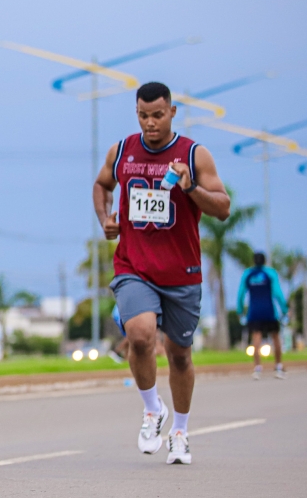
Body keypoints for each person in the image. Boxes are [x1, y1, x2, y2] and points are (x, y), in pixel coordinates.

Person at [94, 81, 231, 466]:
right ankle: (152, 408)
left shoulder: (194, 154)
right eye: (143, 116)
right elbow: (102, 185)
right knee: (139, 336)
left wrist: (190, 188)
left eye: (157, 115)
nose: (150, 123)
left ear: (172, 112)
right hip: (134, 266)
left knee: (180, 356)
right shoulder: (122, 151)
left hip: (182, 272)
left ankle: (180, 432)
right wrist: (105, 217)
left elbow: (223, 208)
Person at [237, 252, 288, 379]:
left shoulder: (248, 274)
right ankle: (278, 366)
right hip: (269, 310)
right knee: (275, 338)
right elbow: (277, 292)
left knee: (256, 339)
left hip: (254, 311)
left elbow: (241, 294)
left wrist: (240, 311)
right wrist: (284, 309)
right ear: (264, 261)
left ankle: (257, 368)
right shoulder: (270, 273)